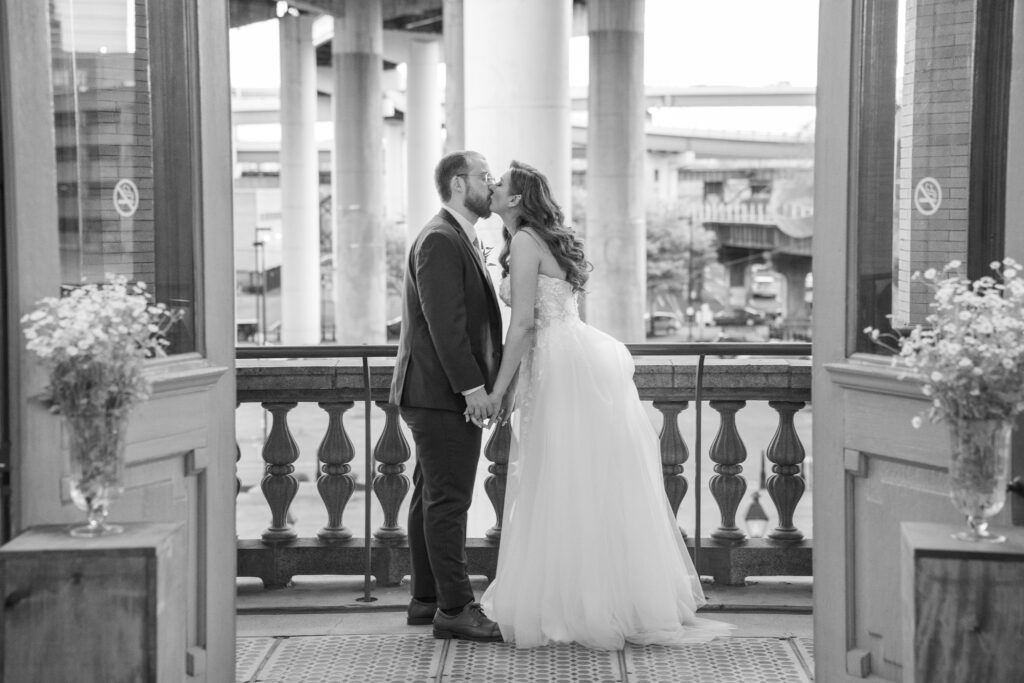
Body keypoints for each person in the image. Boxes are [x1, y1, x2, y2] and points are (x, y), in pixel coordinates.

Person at [478, 160, 734, 650]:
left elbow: (526, 325)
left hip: (558, 365)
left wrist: (497, 389)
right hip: (569, 359)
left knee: (561, 478)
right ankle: (593, 597)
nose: (492, 188)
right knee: (581, 481)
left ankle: (575, 604)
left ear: (515, 199)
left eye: (500, 184)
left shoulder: (529, 241)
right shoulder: (531, 241)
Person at [389, 151, 504, 642]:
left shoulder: (458, 235)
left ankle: (427, 598)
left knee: (431, 496)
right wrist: (473, 389)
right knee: (449, 501)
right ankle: (455, 609)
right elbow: (444, 326)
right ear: (460, 184)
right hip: (440, 394)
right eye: (484, 177)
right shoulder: (440, 238)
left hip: (433, 392)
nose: (491, 183)